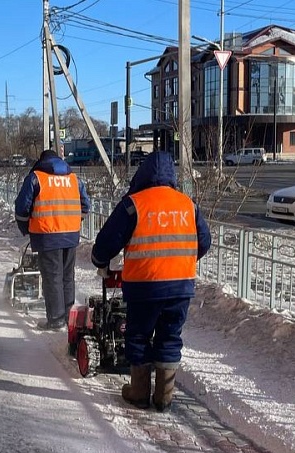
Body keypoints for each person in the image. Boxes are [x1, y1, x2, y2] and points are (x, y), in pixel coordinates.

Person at [91, 151, 211, 411]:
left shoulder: (134, 204)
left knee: (138, 335)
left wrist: (100, 262)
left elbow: (107, 241)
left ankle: (139, 392)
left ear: (142, 174)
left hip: (144, 286)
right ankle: (164, 397)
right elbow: (205, 242)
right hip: (181, 286)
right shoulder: (187, 205)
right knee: (170, 337)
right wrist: (181, 260)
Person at [14, 149, 90, 330]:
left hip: (47, 235)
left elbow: (21, 208)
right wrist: (72, 221)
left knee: (52, 278)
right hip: (71, 235)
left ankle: (56, 320)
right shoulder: (74, 178)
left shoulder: (36, 178)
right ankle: (69, 319)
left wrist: (26, 229)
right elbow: (85, 205)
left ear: (42, 161)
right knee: (67, 277)